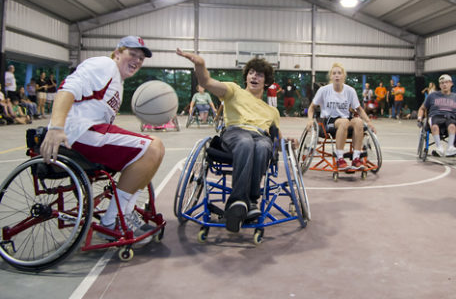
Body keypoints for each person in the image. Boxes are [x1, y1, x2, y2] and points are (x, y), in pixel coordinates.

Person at [40, 36, 165, 242]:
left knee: (153, 148)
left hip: (90, 133)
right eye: (132, 54)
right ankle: (112, 219)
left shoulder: (118, 82)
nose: (137, 60)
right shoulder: (104, 65)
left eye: (141, 58)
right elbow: (68, 88)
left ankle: (124, 211)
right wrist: (55, 127)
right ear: (117, 53)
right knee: (152, 146)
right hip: (76, 132)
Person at [176, 47, 289, 233]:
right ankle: (238, 201)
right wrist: (200, 65)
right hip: (235, 133)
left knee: (261, 145)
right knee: (246, 141)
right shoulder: (234, 90)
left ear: (266, 81)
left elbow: (276, 136)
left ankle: (250, 202)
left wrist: (287, 142)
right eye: (251, 73)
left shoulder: (272, 111)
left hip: (260, 135)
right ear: (246, 76)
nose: (254, 77)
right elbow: (207, 81)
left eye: (259, 75)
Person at [307, 63, 376, 171]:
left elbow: (359, 109)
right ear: (331, 76)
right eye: (334, 73)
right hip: (329, 120)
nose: (337, 75)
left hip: (346, 119)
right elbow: (311, 108)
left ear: (343, 76)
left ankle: (356, 158)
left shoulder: (350, 91)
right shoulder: (323, 90)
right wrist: (310, 120)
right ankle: (340, 159)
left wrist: (369, 122)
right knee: (344, 122)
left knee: (358, 122)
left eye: (339, 73)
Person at [416, 74, 456, 156]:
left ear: (451, 84)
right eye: (442, 83)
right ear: (439, 85)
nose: (444, 84)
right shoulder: (432, 96)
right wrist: (419, 118)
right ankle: (439, 148)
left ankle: (450, 148)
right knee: (434, 126)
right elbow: (422, 108)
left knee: (452, 125)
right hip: (435, 116)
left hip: (450, 117)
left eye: (446, 82)